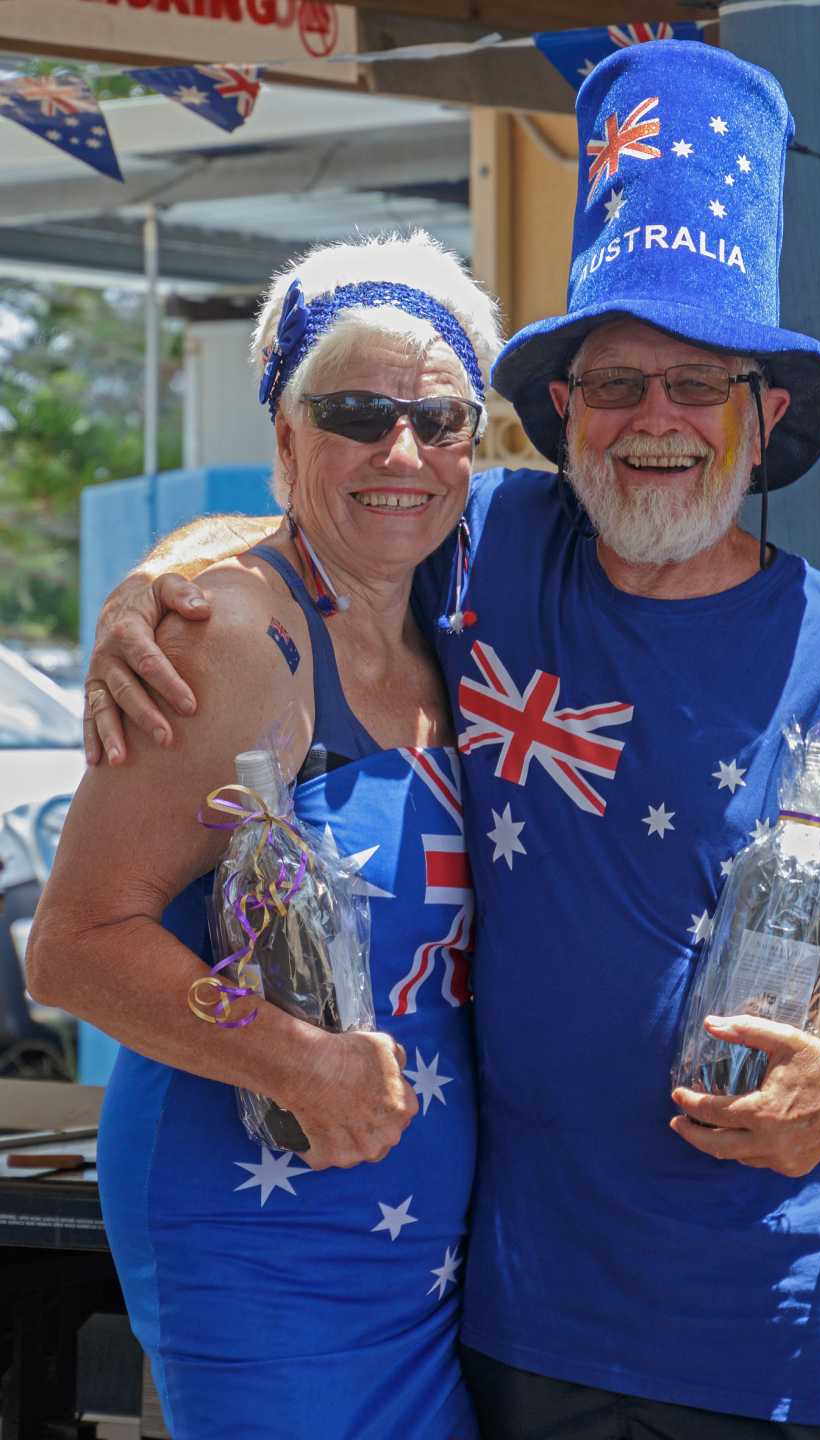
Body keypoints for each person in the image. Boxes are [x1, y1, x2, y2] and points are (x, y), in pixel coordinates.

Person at [73, 42, 820, 1440]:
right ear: (560, 412)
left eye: (699, 385)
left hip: (778, 1328)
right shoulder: (488, 546)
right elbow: (320, 528)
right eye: (617, 383)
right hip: (521, 1324)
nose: (657, 422)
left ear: (762, 416)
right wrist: (164, 581)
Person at [27, 231, 503, 1440]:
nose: (402, 450)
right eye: (354, 412)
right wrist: (288, 1061)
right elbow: (74, 945)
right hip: (261, 1226)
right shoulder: (238, 632)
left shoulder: (448, 620)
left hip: (420, 1251)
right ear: (285, 437)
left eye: (439, 419)